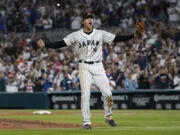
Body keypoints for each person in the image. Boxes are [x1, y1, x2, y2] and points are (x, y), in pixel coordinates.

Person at [37, 13, 144, 129]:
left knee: (108, 93)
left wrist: (133, 35)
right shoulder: (76, 35)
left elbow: (116, 38)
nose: (90, 20)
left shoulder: (100, 33)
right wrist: (46, 45)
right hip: (84, 66)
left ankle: (108, 116)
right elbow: (60, 44)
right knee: (85, 94)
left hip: (98, 66)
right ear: (83, 21)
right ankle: (86, 122)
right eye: (88, 18)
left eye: (92, 18)